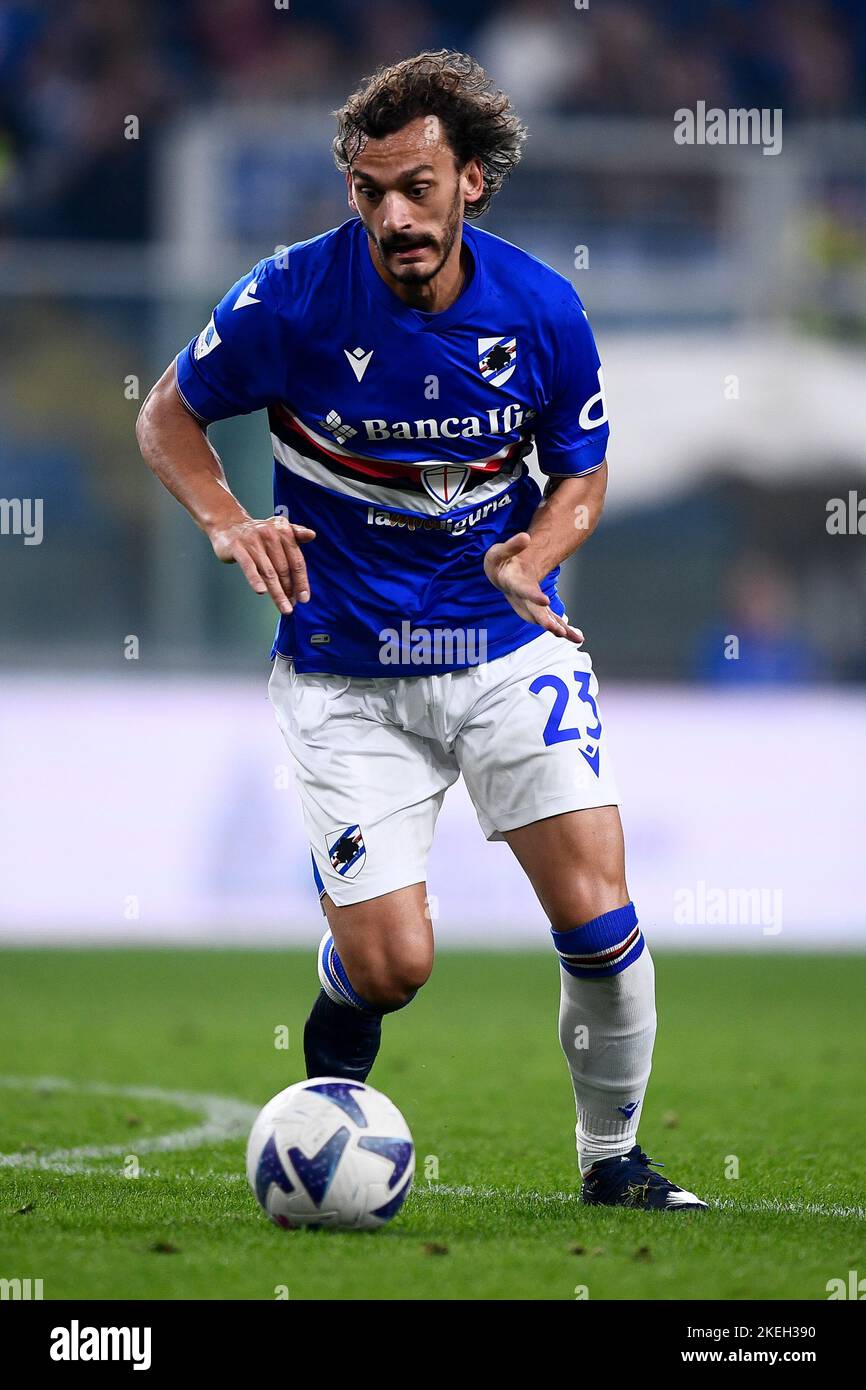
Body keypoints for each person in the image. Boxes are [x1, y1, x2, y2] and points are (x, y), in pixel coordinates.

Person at [136, 50, 706, 1210]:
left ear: (472, 183)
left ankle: (613, 1162)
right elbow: (166, 414)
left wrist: (533, 551)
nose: (393, 214)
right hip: (345, 671)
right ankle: (341, 1032)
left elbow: (581, 477)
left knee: (598, 916)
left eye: (417, 187)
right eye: (370, 189)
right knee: (394, 966)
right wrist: (226, 519)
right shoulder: (288, 298)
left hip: (500, 648)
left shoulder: (542, 309)